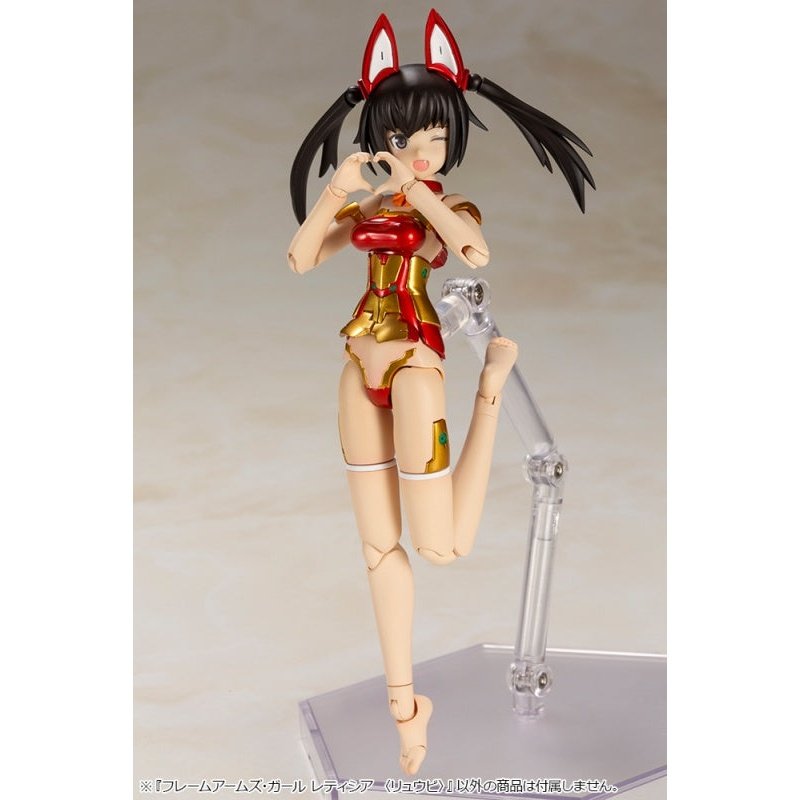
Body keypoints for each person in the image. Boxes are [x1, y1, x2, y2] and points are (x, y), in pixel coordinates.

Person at [287, 9, 594, 776]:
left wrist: (414, 188)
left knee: (441, 547)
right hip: (358, 363)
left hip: (416, 366)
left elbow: (472, 251)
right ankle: (404, 707)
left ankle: (490, 391)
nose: (420, 150)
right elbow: (299, 259)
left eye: (434, 137)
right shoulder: (366, 207)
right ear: (378, 136)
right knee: (378, 548)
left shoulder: (448, 208)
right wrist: (339, 190)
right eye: (403, 138)